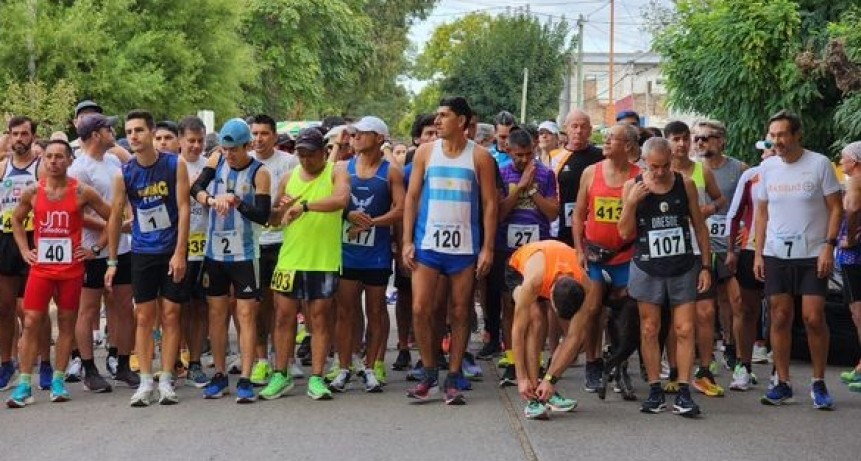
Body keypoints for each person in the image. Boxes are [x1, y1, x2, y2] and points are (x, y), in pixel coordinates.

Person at [402, 96, 497, 405]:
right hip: (428, 244)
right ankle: (430, 372)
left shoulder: (480, 156)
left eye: (444, 115)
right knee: (420, 309)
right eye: (437, 115)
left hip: (465, 248)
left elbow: (490, 204)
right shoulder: (425, 153)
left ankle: (454, 374)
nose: (437, 121)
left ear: (462, 121)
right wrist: (406, 241)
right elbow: (412, 197)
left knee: (460, 312)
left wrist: (487, 248)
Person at [5, 140, 112, 408]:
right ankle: (24, 384)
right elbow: (16, 220)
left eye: (59, 157)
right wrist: (24, 249)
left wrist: (96, 248)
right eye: (49, 157)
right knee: (31, 322)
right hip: (41, 269)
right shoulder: (32, 192)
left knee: (66, 323)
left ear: (68, 160)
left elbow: (113, 217)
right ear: (44, 161)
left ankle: (58, 380)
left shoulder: (82, 193)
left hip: (71, 270)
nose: (53, 161)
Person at [616, 137, 711, 416]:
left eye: (665, 165)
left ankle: (683, 390)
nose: (660, 172)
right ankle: (656, 389)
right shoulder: (632, 187)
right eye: (654, 167)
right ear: (644, 161)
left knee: (684, 329)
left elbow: (700, 227)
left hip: (682, 266)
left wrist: (705, 266)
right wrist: (631, 203)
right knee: (649, 328)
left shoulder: (686, 184)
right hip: (647, 267)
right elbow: (623, 232)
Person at [754, 110, 842, 410]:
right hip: (776, 253)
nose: (777, 141)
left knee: (813, 317)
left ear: (796, 135)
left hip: (812, 253)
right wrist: (758, 252)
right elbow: (762, 212)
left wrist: (829, 246)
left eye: (782, 135)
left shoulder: (819, 164)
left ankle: (818, 382)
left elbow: (836, 208)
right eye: (773, 135)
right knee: (779, 317)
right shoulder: (767, 169)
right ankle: (783, 382)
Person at [105, 110, 190, 407]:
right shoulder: (124, 174)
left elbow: (184, 208)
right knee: (143, 316)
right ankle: (145, 382)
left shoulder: (174, 164)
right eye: (129, 132)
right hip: (142, 251)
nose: (133, 136)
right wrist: (112, 261)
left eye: (139, 130)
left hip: (171, 249)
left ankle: (166, 379)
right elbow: (115, 217)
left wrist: (181, 252)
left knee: (170, 314)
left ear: (152, 133)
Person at [261, 128, 349, 401]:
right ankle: (280, 373)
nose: (305, 160)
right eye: (300, 154)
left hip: (323, 258)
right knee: (283, 316)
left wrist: (306, 206)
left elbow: (341, 200)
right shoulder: (288, 177)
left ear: (323, 151)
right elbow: (273, 219)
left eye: (310, 154)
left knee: (320, 317)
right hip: (290, 258)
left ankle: (318, 376)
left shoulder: (336, 172)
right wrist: (281, 210)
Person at [190, 118, 271, 403]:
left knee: (247, 315)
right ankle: (220, 374)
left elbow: (263, 215)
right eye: (225, 149)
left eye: (234, 150)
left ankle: (246, 378)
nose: (228, 154)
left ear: (247, 146)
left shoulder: (260, 172)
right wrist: (212, 201)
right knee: (216, 313)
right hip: (215, 253)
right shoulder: (216, 160)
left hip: (245, 254)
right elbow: (196, 188)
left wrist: (237, 202)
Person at [327, 116, 405, 393]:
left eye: (363, 133)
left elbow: (401, 209)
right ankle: (345, 366)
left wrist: (372, 222)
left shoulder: (391, 172)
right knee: (345, 311)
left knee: (376, 310)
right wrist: (349, 214)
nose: (356, 136)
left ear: (379, 138)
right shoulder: (342, 169)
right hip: (347, 253)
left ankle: (373, 366)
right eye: (355, 132)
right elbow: (331, 202)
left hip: (377, 254)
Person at [68, 114, 138, 392]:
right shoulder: (78, 169)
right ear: (96, 134)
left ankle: (122, 363)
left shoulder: (113, 161)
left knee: (124, 306)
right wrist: (115, 227)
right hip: (91, 250)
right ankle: (88, 368)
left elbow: (126, 198)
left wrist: (125, 222)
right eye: (108, 128)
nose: (114, 131)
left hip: (121, 248)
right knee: (88, 309)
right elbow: (79, 214)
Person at [572, 123, 641, 399]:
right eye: (607, 137)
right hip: (595, 255)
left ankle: (620, 364)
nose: (606, 141)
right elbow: (578, 214)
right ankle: (593, 363)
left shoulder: (640, 177)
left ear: (627, 146)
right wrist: (578, 249)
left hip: (626, 255)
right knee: (592, 310)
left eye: (613, 139)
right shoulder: (591, 172)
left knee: (625, 314)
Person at [489, 128, 558, 387]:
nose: (524, 160)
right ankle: (512, 358)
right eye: (519, 155)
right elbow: (498, 213)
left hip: (537, 251)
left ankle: (536, 360)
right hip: (508, 250)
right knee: (511, 305)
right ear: (508, 151)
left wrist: (533, 192)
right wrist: (519, 189)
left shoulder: (546, 174)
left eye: (529, 154)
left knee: (538, 309)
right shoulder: (501, 172)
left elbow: (552, 213)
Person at [664, 120, 726, 397]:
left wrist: (709, 208)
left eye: (685, 139)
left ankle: (704, 368)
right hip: (667, 252)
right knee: (671, 315)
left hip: (698, 249)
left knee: (706, 312)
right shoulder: (658, 172)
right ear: (666, 142)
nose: (681, 144)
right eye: (675, 139)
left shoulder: (701, 170)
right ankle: (675, 369)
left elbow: (721, 199)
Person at [692, 120, 748, 387]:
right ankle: (707, 354)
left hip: (728, 245)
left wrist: (745, 231)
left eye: (708, 138)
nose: (701, 142)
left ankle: (732, 348)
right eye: (698, 138)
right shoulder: (692, 169)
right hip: (700, 245)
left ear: (722, 141)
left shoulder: (739, 169)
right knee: (705, 305)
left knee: (734, 301)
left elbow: (752, 204)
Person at [248, 114, 299, 387]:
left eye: (264, 133)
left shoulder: (289, 163)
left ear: (274, 137)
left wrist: (280, 209)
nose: (258, 139)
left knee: (284, 307)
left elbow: (297, 201)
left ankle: (285, 360)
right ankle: (261, 361)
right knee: (258, 307)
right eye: (254, 133)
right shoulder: (244, 163)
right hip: (253, 244)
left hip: (283, 244)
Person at [509, 240, 583, 420]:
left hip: (556, 266)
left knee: (577, 334)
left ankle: (545, 388)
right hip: (520, 268)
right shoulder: (534, 282)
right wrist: (521, 378)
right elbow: (518, 331)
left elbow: (575, 336)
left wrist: (551, 379)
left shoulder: (585, 280)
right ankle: (533, 394)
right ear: (550, 296)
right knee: (536, 320)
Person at [0, 116, 47, 392]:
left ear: (33, 136)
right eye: (14, 134)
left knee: (34, 309)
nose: (19, 138)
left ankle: (44, 363)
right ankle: (6, 363)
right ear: (8, 136)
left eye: (24, 134)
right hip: (6, 239)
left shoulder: (40, 168)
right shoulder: (3, 168)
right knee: (4, 307)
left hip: (34, 239)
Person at [725, 140, 775, 391]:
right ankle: (743, 366)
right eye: (766, 148)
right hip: (750, 248)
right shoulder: (751, 175)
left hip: (782, 251)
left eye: (772, 147)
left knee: (780, 311)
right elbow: (734, 214)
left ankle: (779, 371)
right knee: (746, 310)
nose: (768, 152)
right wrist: (732, 250)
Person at [177, 116, 211, 388]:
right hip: (177, 247)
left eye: (201, 141)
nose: (196, 146)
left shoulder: (210, 167)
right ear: (181, 140)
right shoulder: (171, 166)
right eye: (191, 141)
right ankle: (175, 360)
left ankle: (196, 362)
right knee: (175, 308)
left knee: (200, 307)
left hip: (205, 247)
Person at [837, 141, 861, 393]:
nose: (841, 162)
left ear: (854, 161)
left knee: (858, 312)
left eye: (844, 158)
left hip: (854, 255)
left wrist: (851, 238)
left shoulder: (855, 180)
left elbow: (852, 208)